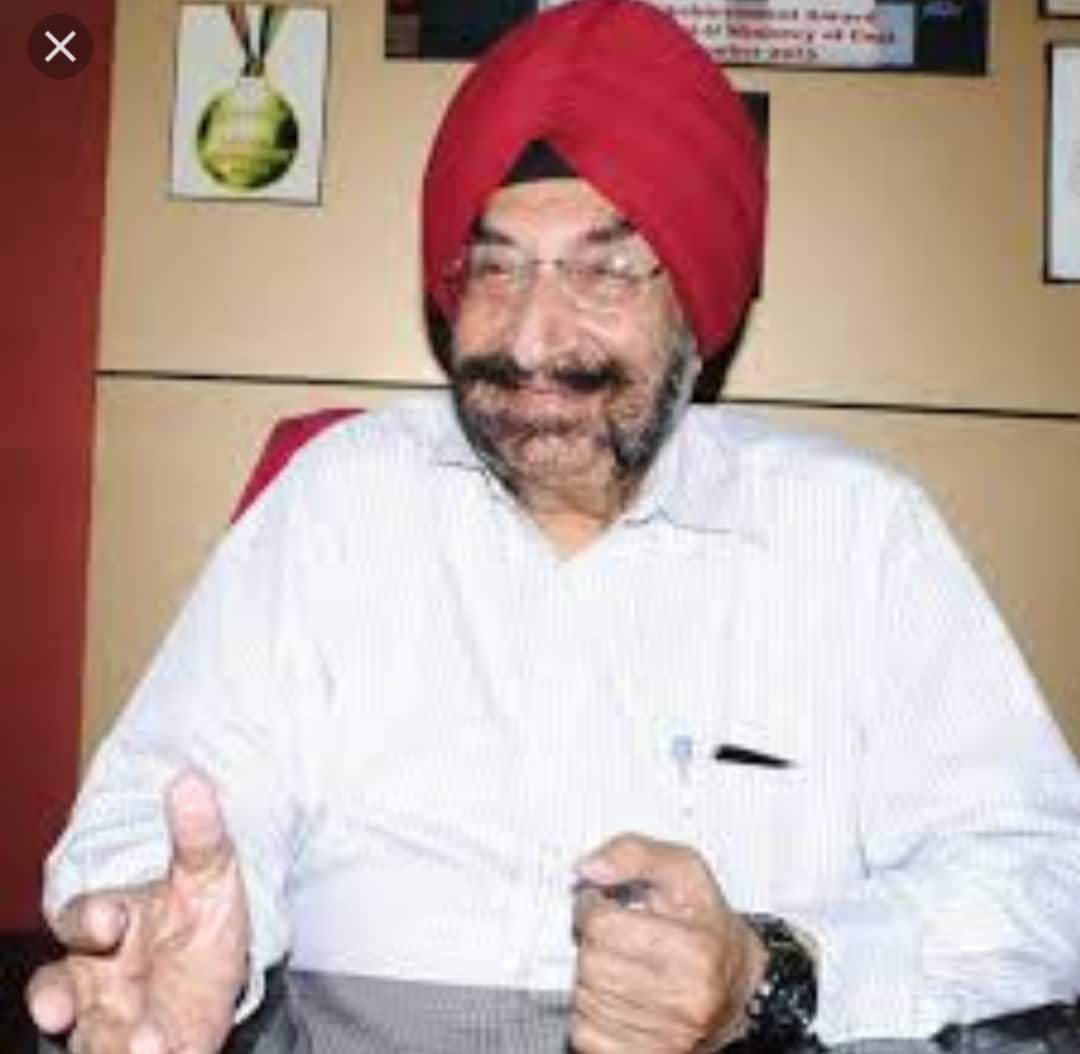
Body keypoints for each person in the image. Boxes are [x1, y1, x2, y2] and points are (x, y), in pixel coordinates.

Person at [26, 1, 1080, 1052]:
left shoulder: (854, 532)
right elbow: (167, 811)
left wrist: (772, 971)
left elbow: (1043, 876)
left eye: (606, 267)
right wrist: (162, 923)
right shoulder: (339, 499)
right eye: (496, 266)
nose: (533, 337)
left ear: (699, 304)